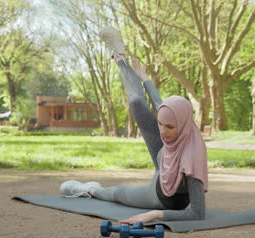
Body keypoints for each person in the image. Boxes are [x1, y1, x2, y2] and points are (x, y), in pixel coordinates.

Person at [60, 56, 208, 224]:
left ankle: (90, 190)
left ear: (182, 125)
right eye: (160, 124)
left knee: (119, 194)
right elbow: (158, 101)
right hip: (165, 161)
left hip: (161, 198)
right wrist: (143, 77)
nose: (163, 131)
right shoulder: (174, 121)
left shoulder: (191, 158)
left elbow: (197, 213)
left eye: (170, 127)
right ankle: (120, 59)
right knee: (137, 103)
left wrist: (156, 214)